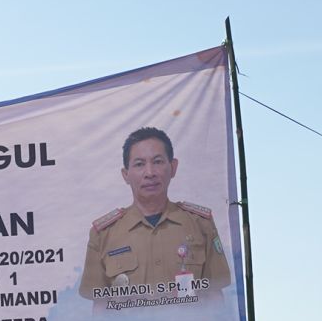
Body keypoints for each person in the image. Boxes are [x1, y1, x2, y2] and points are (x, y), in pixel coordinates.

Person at [79, 127, 231, 301]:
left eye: (158, 162)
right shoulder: (104, 234)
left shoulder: (200, 224)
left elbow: (214, 296)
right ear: (125, 175)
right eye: (139, 164)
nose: (150, 173)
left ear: (173, 167)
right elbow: (100, 307)